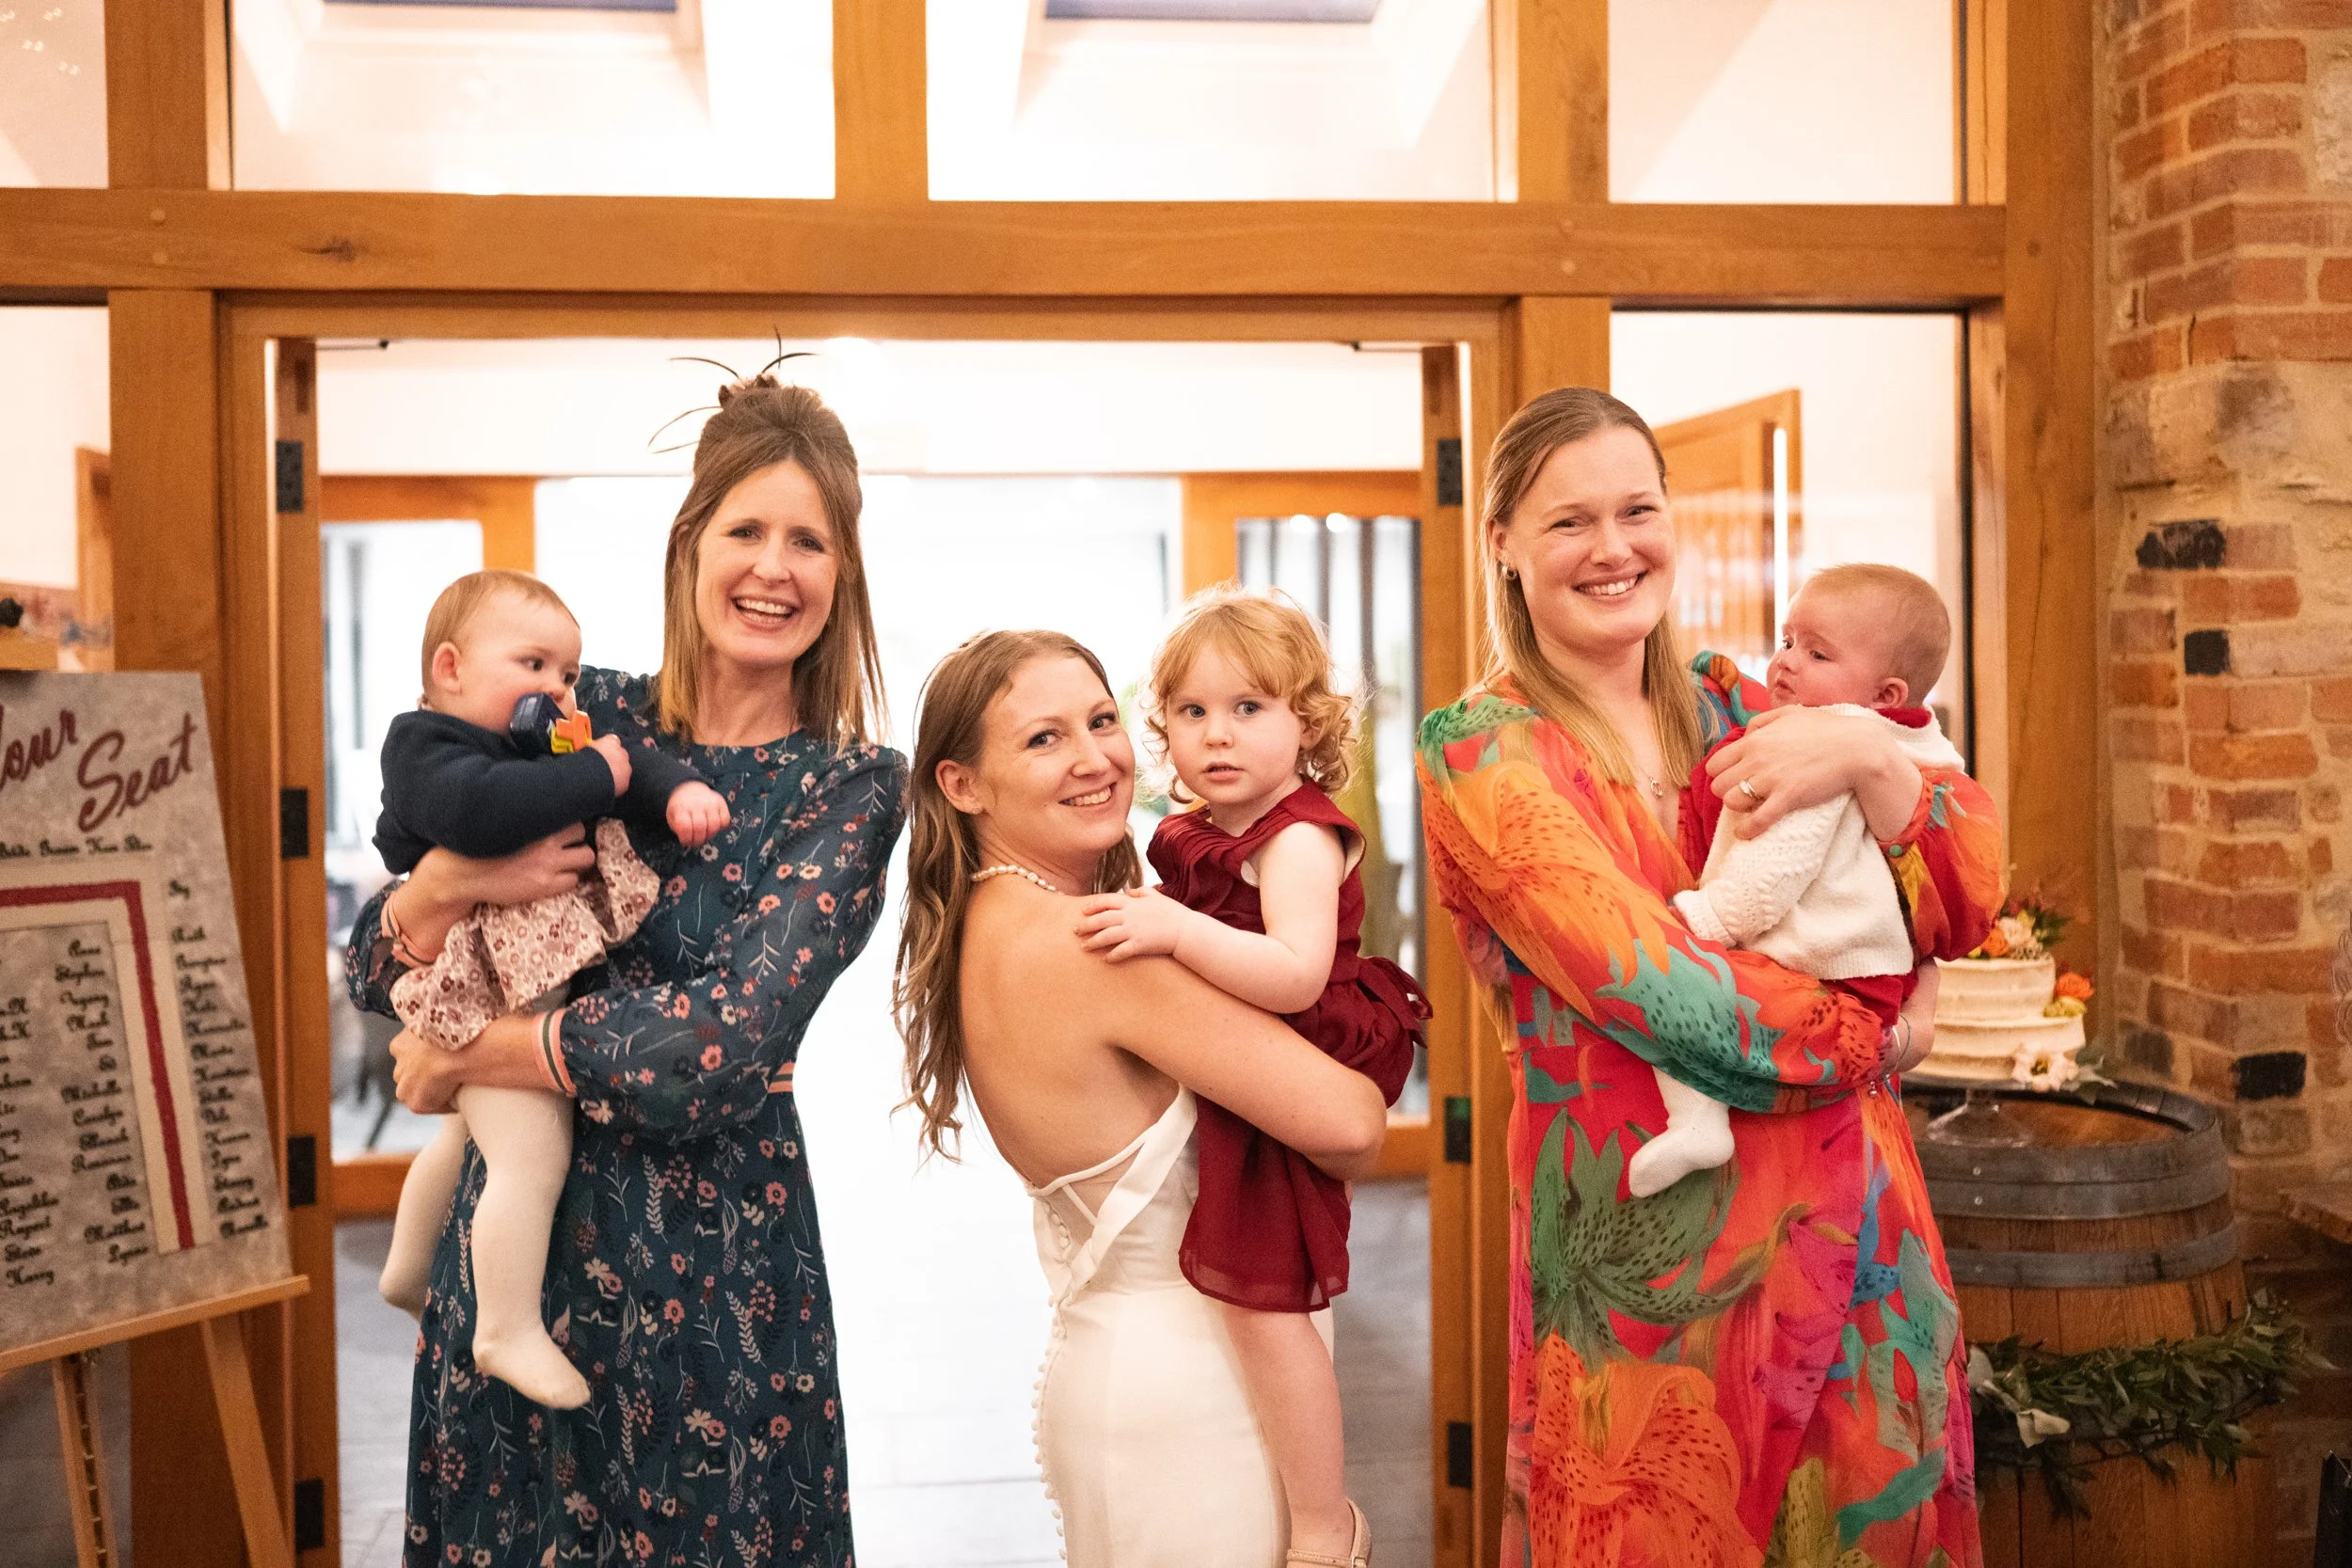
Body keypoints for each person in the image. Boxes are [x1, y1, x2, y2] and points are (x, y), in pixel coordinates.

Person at [1417, 388, 2003, 1568]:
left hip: (1861, 1240)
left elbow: (1968, 888)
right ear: (1503, 544)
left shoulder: (1754, 698)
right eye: (1569, 519)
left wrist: (1855, 753)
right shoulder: (1483, 750)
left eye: (1638, 508)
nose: (1613, 546)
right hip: (1659, 1281)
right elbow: (1662, 991)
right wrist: (1879, 1023)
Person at [346, 376, 906, 1567]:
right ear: (689, 543)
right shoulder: (571, 712)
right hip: (513, 1260)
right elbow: (368, 964)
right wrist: (443, 890)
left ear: (843, 571)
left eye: (810, 539)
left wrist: (469, 1050)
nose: (774, 567)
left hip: (718, 1265)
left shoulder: (849, 783)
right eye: (745, 529)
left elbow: (721, 1044)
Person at [893, 629, 1388, 1568]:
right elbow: (1351, 1122)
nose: (1095, 758)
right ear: (963, 784)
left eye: (1101, 719)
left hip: (1115, 1370)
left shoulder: (988, 921)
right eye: (1044, 738)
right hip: (1199, 1398)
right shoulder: (1090, 942)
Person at [1073, 587, 1424, 1567]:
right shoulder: (1202, 821)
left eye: (1248, 708)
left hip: (1306, 1046)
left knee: (1265, 1305)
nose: (1215, 735)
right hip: (1250, 1054)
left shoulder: (1297, 834)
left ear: (1306, 723)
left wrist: (1175, 928)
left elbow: (1295, 971)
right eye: (1191, 713)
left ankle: (1325, 1521)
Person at [371, 568, 730, 1409]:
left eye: (567, 673)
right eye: (532, 665)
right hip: (487, 998)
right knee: (532, 1156)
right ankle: (505, 1326)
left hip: (527, 991)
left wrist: (672, 788)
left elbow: (621, 762)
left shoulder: (543, 743)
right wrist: (596, 774)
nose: (556, 691)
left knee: (465, 1143)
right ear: (452, 668)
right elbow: (484, 811)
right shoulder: (424, 744)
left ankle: (407, 1266)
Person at [1632, 563, 1969, 1199]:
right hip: (1862, 972)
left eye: (1816, 652)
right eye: (1787, 641)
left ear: (1884, 693)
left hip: (1825, 966)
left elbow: (1775, 868)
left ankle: (1697, 1119)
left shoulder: (1817, 744)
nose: (1785, 663)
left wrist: (1707, 920)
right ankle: (1702, 1120)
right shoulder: (1909, 747)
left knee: (1680, 998)